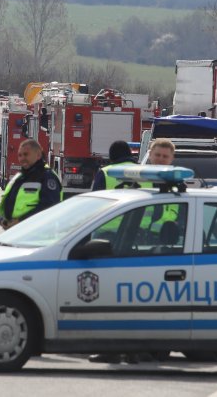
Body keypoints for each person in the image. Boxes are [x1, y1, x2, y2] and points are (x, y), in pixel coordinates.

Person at [88, 137, 177, 365]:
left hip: (153, 247)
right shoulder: (144, 178)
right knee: (118, 299)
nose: (160, 159)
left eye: (165, 156)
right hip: (122, 243)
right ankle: (122, 349)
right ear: (149, 155)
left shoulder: (173, 181)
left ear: (172, 159)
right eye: (157, 155)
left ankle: (143, 349)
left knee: (145, 302)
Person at [0, 139, 62, 229]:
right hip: (17, 233)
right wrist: (3, 220)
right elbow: (4, 203)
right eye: (20, 155)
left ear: (38, 155)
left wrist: (20, 221)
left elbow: (50, 207)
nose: (22, 158)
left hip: (39, 234)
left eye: (26, 154)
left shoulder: (47, 177)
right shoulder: (19, 177)